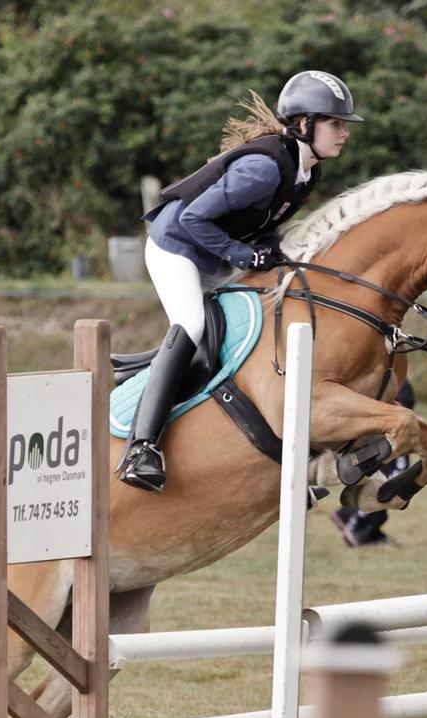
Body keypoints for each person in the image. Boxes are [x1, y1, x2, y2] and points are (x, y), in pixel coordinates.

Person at [116, 71, 363, 493]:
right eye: (335, 123)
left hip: (213, 251)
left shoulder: (306, 172)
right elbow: (193, 218)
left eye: (343, 125)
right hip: (177, 247)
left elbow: (263, 223)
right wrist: (245, 256)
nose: (343, 133)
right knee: (192, 326)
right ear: (303, 124)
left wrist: (273, 253)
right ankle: (142, 449)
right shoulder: (262, 169)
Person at [330, 380, 415, 547]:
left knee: (385, 484)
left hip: (383, 440)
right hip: (390, 439)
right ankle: (357, 530)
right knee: (392, 485)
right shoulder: (395, 382)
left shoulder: (394, 380)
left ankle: (346, 516)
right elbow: (400, 413)